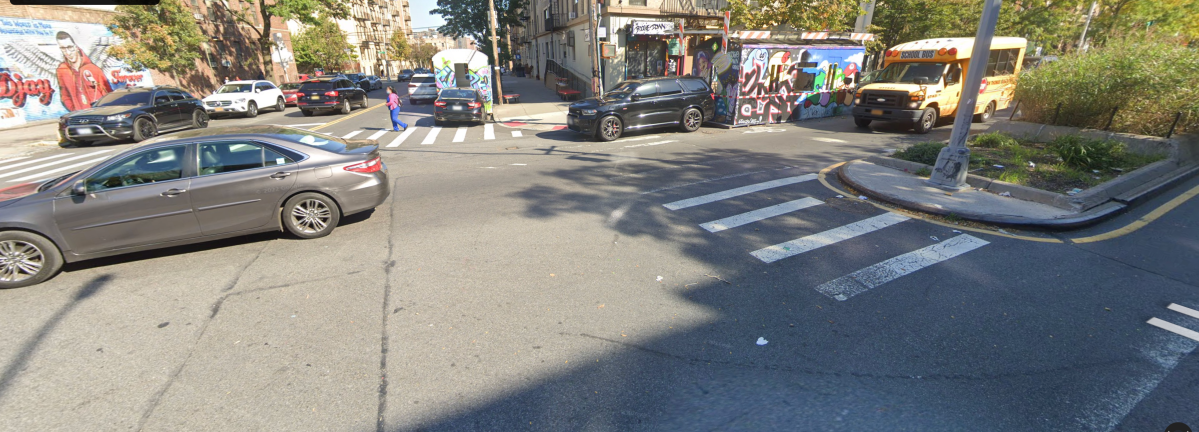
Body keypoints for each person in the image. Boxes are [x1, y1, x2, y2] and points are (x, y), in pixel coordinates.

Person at [55, 31, 112, 112]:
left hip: (98, 113)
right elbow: (65, 95)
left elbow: (107, 92)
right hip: (80, 115)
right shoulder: (62, 70)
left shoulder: (93, 69)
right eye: (63, 48)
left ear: (76, 47)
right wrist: (74, 109)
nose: (67, 53)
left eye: (70, 47)